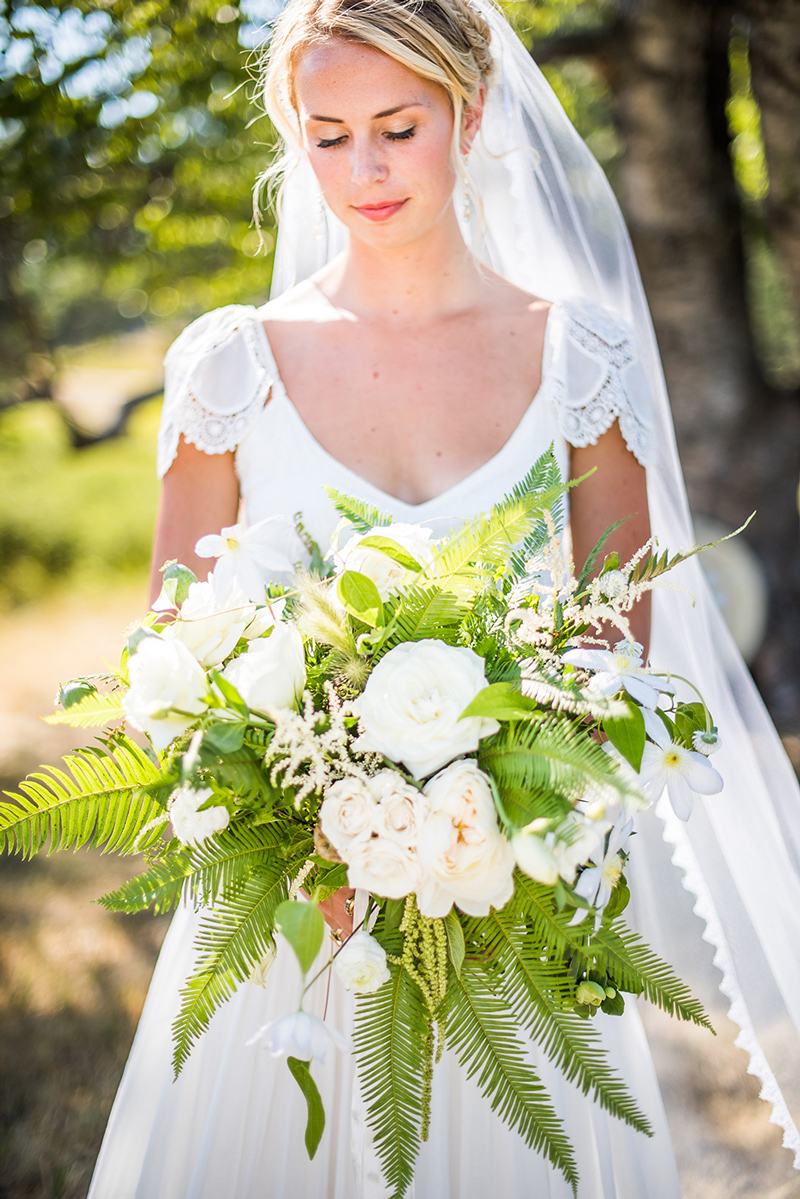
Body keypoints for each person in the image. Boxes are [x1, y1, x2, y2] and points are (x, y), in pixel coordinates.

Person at [87, 0, 800, 1195]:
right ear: (291, 136)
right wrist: (304, 820)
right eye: (326, 135)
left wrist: (489, 821)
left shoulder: (579, 354)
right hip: (291, 925)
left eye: (397, 128)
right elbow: (175, 649)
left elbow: (612, 651)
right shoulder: (229, 362)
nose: (361, 170)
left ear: (469, 115)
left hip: (512, 897)